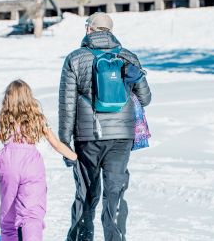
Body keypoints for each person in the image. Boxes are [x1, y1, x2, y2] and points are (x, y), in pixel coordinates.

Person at [58, 12, 152, 241]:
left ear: (89, 29)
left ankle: (82, 237)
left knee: (86, 191)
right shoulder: (128, 57)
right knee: (115, 191)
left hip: (87, 136)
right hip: (122, 137)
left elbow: (67, 105)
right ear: (110, 30)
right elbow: (146, 98)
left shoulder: (75, 58)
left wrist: (64, 142)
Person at [0, 79, 78, 241]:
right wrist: (75, 157)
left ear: (8, 98)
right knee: (31, 215)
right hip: (32, 165)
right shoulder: (38, 118)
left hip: (8, 165)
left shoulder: (2, 120)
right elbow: (56, 143)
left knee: (8, 217)